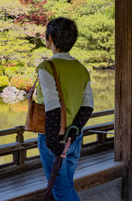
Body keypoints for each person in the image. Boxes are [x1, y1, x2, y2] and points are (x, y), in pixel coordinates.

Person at [36, 17, 94, 201]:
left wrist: (54, 143)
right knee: (67, 184)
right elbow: (88, 105)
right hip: (74, 137)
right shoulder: (81, 69)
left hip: (53, 136)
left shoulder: (47, 67)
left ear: (50, 38)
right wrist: (72, 134)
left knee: (60, 191)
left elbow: (52, 105)